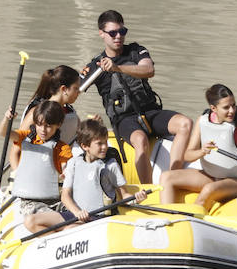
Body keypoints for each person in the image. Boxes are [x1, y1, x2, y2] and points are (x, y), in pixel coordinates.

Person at [80, 10, 192, 185]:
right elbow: (75, 90)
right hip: (123, 119)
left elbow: (149, 70)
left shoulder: (136, 50)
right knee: (140, 139)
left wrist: (118, 68)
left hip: (150, 111)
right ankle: (147, 189)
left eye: (122, 32)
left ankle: (174, 177)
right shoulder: (95, 65)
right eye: (113, 33)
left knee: (185, 123)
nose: (118, 36)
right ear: (101, 34)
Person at [159, 84, 237, 211]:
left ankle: (191, 219)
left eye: (233, 105)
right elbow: (187, 155)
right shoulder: (202, 121)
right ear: (213, 108)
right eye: (226, 107)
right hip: (210, 176)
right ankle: (167, 218)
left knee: (209, 190)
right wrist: (202, 152)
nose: (232, 111)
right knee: (166, 177)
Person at [26, 119, 147, 233]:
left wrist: (135, 198)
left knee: (70, 229)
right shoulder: (74, 163)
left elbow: (124, 194)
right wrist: (77, 212)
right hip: (75, 214)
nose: (104, 147)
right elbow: (65, 196)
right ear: (85, 146)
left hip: (97, 218)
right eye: (99, 144)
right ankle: (54, 245)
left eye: (105, 142)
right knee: (31, 221)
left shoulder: (111, 165)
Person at [0, 100, 72, 219]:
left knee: (71, 210)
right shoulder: (25, 138)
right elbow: (3, 133)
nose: (43, 130)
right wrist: (7, 119)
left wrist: (66, 173)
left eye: (48, 126)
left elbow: (65, 167)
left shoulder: (62, 148)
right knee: (49, 216)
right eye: (39, 125)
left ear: (58, 125)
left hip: (55, 200)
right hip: (29, 201)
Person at [9, 65, 82, 171]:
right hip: (29, 173)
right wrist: (19, 175)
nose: (79, 92)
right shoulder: (37, 112)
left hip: (55, 174)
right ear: (64, 89)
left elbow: (80, 138)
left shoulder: (70, 112)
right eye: (76, 88)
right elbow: (14, 153)